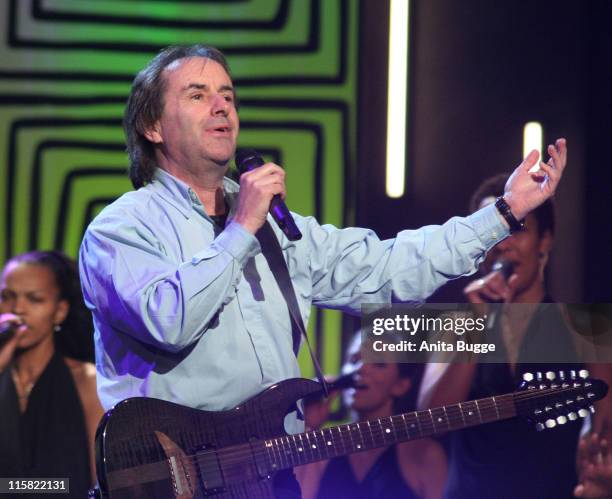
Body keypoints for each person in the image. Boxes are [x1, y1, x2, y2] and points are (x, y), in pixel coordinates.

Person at [78, 44, 567, 496]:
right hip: (176, 481)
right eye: (198, 94)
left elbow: (388, 267)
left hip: (273, 476)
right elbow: (169, 320)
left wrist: (502, 213)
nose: (222, 106)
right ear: (153, 126)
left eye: (228, 95)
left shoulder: (277, 228)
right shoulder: (120, 230)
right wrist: (242, 227)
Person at [418, 174, 584, 499]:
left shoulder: (582, 328)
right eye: (493, 232)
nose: (503, 244)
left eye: (518, 227)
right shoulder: (459, 325)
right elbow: (430, 421)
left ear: (545, 240)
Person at [0, 251, 104, 499]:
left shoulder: (86, 382)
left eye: (34, 299)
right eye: (7, 297)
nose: (18, 309)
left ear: (60, 311)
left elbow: (97, 486)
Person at [297, 334, 447, 499]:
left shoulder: (423, 454)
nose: (361, 368)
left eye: (378, 364)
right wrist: (308, 428)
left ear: (400, 385)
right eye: (354, 360)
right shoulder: (323, 449)